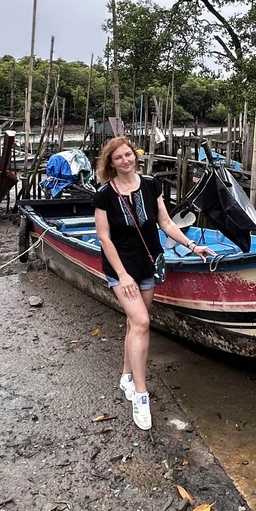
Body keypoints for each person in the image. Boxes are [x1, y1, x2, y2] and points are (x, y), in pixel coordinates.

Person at [93, 135, 211, 430]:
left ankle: (126, 375)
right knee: (143, 322)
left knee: (136, 324)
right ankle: (141, 395)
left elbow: (167, 223)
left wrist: (192, 246)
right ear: (111, 162)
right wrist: (122, 274)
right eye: (118, 157)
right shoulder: (104, 195)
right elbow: (104, 238)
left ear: (135, 156)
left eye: (129, 155)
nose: (125, 160)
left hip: (149, 261)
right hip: (121, 266)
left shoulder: (151, 185)